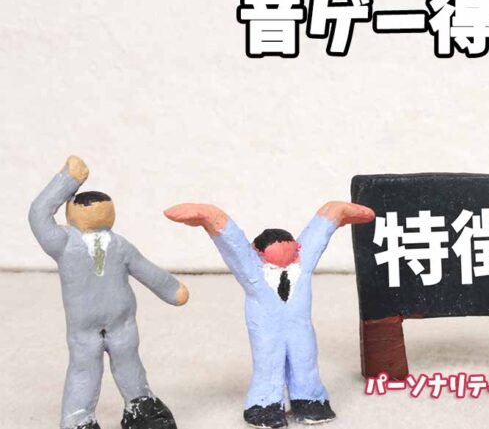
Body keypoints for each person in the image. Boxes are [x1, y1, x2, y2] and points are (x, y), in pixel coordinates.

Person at [164, 200, 374, 428]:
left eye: (291, 253)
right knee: (268, 365)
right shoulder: (254, 270)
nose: (288, 259)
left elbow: (316, 235)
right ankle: (265, 405)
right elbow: (234, 246)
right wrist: (211, 217)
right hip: (267, 331)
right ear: (258, 253)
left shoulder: (301, 265)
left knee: (305, 360)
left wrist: (334, 212)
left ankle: (310, 400)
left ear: (297, 249)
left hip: (300, 329)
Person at [29, 156, 188, 429]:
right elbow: (38, 214)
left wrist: (172, 289)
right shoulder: (63, 243)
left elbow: (146, 269)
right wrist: (69, 179)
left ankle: (141, 408)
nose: (97, 211)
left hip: (122, 323)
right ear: (71, 212)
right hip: (84, 330)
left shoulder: (119, 245)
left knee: (130, 365)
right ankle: (78, 419)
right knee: (84, 371)